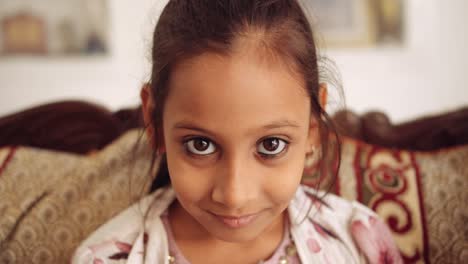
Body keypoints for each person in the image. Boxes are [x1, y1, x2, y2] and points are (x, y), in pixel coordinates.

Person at [72, 0, 403, 263]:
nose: (234, 195)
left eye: (271, 145)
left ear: (312, 129)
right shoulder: (106, 258)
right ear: (154, 121)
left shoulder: (359, 244)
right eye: (200, 145)